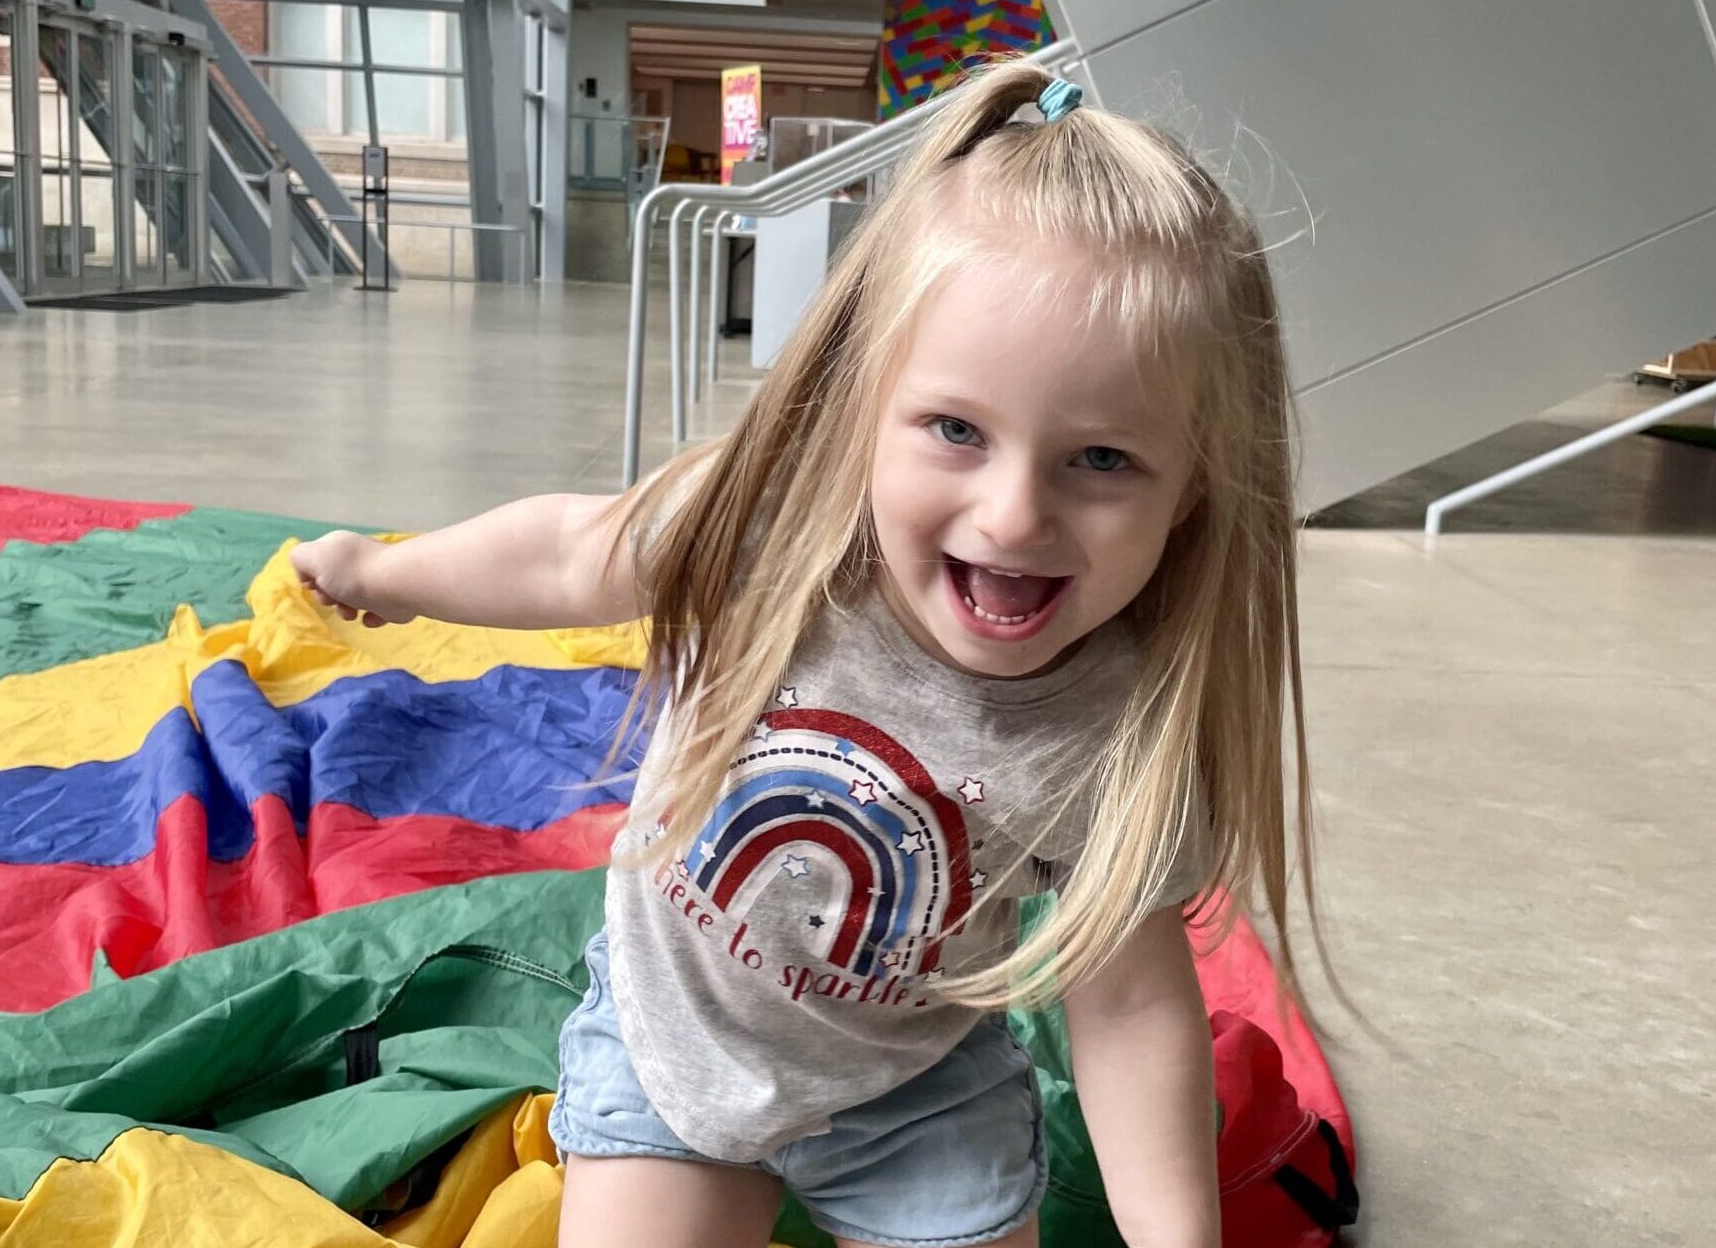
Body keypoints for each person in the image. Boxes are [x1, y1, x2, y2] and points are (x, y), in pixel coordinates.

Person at [291, 60, 1319, 1248]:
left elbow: (1132, 1003)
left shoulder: (1118, 729)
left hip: (916, 1095)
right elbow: (572, 553)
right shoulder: (766, 534)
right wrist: (384, 573)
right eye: (955, 430)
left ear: (1194, 492)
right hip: (672, 1050)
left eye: (1101, 460)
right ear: (860, 403)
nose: (1012, 515)